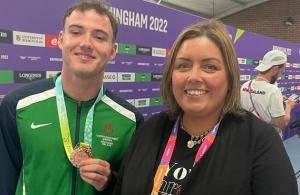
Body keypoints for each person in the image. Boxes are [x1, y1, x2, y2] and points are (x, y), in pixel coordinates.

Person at [114, 20, 298, 195]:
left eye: (210, 67)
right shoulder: (151, 129)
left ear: (230, 77)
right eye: (183, 65)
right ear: (171, 75)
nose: (193, 76)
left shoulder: (259, 140)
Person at [0, 1, 143, 195]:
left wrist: (109, 182)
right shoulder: (17, 105)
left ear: (112, 51)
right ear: (60, 39)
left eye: (99, 37)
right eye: (76, 32)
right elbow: (5, 182)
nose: (86, 43)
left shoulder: (130, 120)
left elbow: (129, 187)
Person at [240, 50, 296, 135]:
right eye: (282, 71)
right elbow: (282, 124)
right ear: (275, 69)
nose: (281, 75)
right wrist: (289, 106)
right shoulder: (273, 90)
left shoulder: (245, 85)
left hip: (247, 137)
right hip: (267, 141)